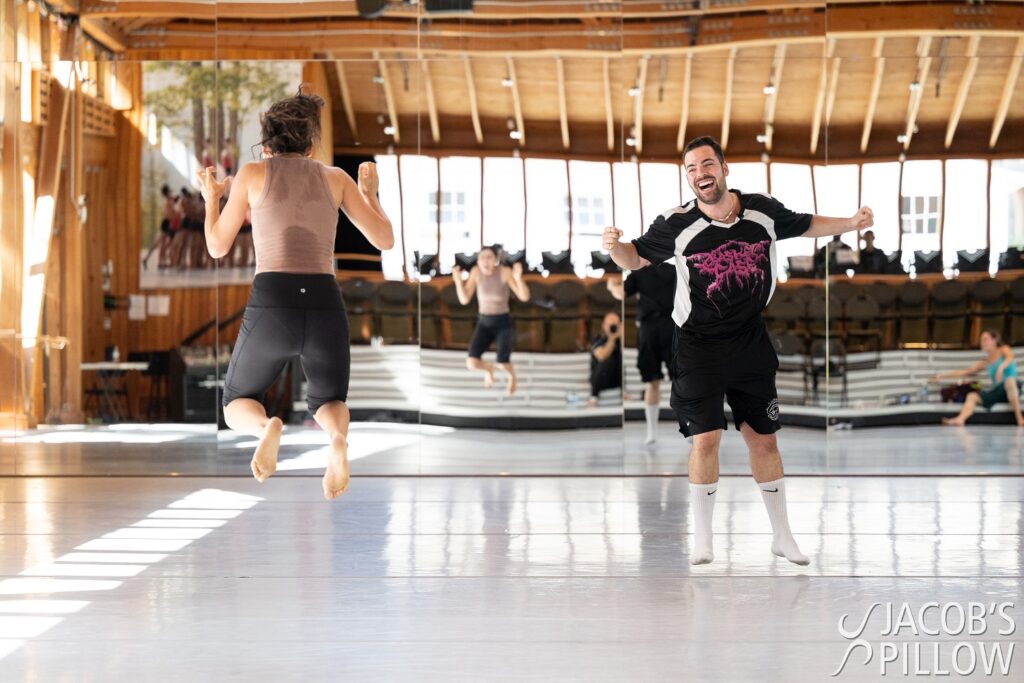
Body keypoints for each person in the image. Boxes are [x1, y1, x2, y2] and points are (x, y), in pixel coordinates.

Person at [603, 135, 874, 566]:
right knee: (705, 438)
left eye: (707, 165)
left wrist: (850, 222)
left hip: (749, 341)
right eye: (691, 168)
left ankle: (782, 536)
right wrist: (615, 246)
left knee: (763, 441)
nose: (700, 174)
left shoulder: (762, 210)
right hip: (697, 344)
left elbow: (805, 224)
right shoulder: (676, 223)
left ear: (724, 168)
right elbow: (634, 259)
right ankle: (703, 538)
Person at [196, 87, 394, 500]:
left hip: (273, 298)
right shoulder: (335, 178)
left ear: (267, 143)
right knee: (329, 399)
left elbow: (217, 246)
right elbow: (385, 240)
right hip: (324, 299)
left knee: (237, 402)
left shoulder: (252, 174)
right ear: (311, 143)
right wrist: (372, 196)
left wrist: (212, 200)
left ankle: (266, 427)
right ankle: (336, 439)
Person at [608, 262, 676, 444]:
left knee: (661, 381)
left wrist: (611, 285)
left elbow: (619, 293)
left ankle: (675, 429)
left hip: (663, 327)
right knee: (667, 380)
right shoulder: (664, 271)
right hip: (664, 327)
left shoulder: (647, 272)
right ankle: (657, 432)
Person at [452, 247, 530, 395]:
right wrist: (457, 282)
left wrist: (519, 278)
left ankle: (511, 376)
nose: (485, 261)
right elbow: (464, 300)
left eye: (489, 257)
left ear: (495, 260)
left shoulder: (504, 272)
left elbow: (524, 297)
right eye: (482, 257)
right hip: (484, 323)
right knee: (472, 363)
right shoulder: (475, 272)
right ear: (478, 261)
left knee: (503, 363)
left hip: (502, 322)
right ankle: (488, 370)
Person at [935, 329, 1023, 427]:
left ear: (994, 340)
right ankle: (960, 419)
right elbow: (966, 372)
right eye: (981, 340)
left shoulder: (1003, 349)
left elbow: (1010, 358)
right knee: (972, 396)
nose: (982, 343)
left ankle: (1019, 418)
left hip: (1012, 387)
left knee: (1009, 381)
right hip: (998, 392)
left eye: (985, 339)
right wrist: (942, 375)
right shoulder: (985, 362)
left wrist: (1001, 367)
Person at [588, 311, 623, 406]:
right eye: (610, 325)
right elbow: (601, 356)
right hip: (599, 379)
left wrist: (621, 336)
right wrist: (611, 339)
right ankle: (594, 396)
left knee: (620, 359)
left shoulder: (621, 339)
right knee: (608, 360)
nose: (612, 328)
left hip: (616, 379)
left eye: (615, 325)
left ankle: (624, 392)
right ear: (603, 325)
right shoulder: (598, 339)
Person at [143, 184, 178, 270]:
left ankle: (158, 261)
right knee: (159, 243)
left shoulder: (168, 199)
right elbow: (172, 211)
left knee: (162, 243)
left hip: (167, 222)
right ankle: (151, 259)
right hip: (166, 222)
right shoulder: (168, 200)